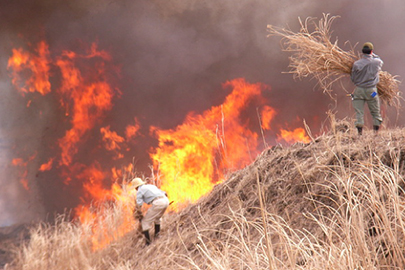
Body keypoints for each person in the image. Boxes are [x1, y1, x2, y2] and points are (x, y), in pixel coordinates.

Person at [350, 42, 384, 135]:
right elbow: (378, 59)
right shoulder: (377, 62)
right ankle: (375, 133)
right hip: (372, 91)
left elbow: (353, 78)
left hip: (359, 91)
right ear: (371, 51)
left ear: (362, 52)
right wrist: (373, 54)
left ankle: (360, 133)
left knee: (359, 112)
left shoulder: (356, 64)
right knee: (375, 111)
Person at [131, 177, 169, 245]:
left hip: (158, 203)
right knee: (157, 218)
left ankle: (148, 243)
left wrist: (137, 212)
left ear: (136, 187)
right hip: (165, 200)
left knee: (145, 222)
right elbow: (165, 193)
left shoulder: (140, 190)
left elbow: (139, 204)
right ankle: (157, 236)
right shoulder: (151, 186)